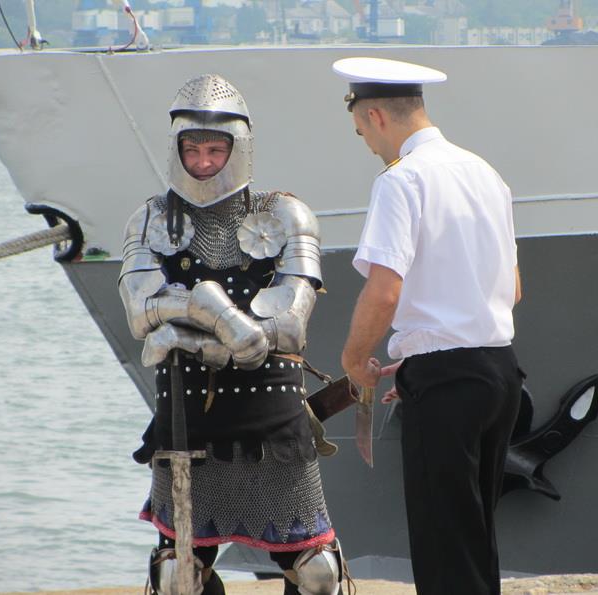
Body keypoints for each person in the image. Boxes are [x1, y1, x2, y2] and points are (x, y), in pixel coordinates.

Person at [118, 74, 345, 595]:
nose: (203, 162)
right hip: (186, 411)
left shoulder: (285, 214)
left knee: (317, 573)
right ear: (176, 149)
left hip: (271, 408)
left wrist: (193, 328)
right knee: (179, 575)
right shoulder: (149, 219)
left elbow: (289, 326)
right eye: (192, 149)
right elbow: (140, 313)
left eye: (215, 150)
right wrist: (222, 319)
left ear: (237, 149)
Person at [332, 57, 523, 595]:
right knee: (474, 537)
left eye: (363, 133)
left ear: (374, 116)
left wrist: (354, 361)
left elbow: (385, 289)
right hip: (499, 373)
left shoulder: (402, 179)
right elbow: (513, 287)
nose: (369, 145)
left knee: (444, 546)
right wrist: (423, 353)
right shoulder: (485, 173)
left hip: (448, 385)